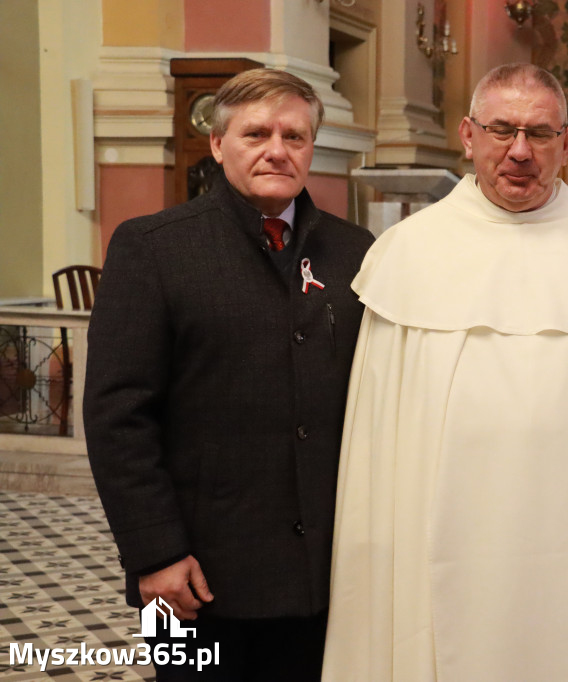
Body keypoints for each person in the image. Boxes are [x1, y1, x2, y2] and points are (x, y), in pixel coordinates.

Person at [321, 63, 568, 682]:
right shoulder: (410, 253)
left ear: (567, 143)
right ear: (468, 135)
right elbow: (378, 446)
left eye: (540, 134)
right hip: (441, 542)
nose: (519, 151)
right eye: (502, 129)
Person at [84, 68, 373, 681]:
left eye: (294, 136)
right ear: (218, 145)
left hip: (320, 575)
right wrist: (155, 551)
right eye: (256, 134)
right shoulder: (153, 248)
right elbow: (117, 415)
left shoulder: (356, 253)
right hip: (196, 575)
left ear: (311, 148)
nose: (277, 150)